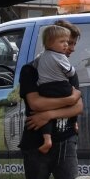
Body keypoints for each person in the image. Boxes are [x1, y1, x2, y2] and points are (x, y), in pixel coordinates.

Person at [20, 20, 90, 179]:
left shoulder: (66, 68)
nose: (71, 48)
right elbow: (35, 103)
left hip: (66, 143)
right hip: (36, 145)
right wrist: (67, 102)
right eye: (68, 43)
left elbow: (79, 105)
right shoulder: (31, 69)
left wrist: (49, 114)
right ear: (53, 42)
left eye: (72, 44)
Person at [33, 25, 78, 154]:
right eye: (63, 42)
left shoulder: (40, 56)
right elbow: (70, 72)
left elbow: (35, 66)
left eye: (67, 42)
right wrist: (75, 93)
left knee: (47, 111)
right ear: (49, 42)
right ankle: (74, 122)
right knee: (74, 100)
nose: (66, 45)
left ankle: (47, 139)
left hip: (44, 89)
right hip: (61, 86)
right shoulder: (60, 57)